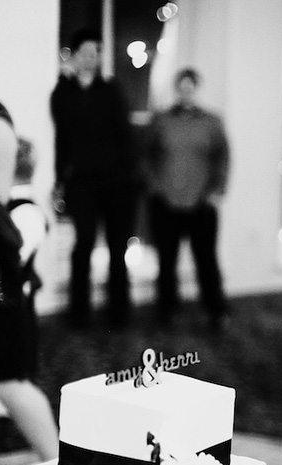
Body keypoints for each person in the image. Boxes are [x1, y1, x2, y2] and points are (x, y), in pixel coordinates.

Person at [0, 83, 58, 461]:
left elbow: (14, 255)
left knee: (13, 373)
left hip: (10, 298)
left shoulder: (25, 212)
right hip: (4, 292)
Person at [51, 27, 136, 328]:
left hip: (116, 181)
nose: (92, 58)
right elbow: (61, 140)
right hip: (81, 183)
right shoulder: (62, 93)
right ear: (74, 55)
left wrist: (129, 176)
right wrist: (60, 180)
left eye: (96, 53)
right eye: (86, 53)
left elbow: (125, 135)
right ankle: (79, 313)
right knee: (83, 244)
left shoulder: (111, 90)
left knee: (117, 247)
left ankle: (119, 312)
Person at [143, 67, 230, 331]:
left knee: (206, 260)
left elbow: (223, 158)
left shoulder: (212, 122)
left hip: (201, 203)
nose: (185, 92)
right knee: (166, 261)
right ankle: (167, 311)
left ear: (196, 89)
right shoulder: (161, 120)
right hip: (166, 202)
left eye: (190, 87)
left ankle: (216, 311)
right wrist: (155, 187)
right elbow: (146, 157)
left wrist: (217, 191)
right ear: (176, 89)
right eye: (181, 87)